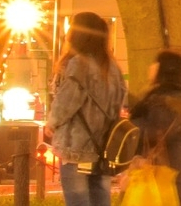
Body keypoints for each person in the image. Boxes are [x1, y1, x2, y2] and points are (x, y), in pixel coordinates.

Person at [47, 13, 127, 206]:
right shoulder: (112, 68)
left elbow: (66, 102)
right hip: (103, 147)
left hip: (76, 147)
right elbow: (119, 103)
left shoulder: (78, 64)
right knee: (101, 199)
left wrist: (51, 123)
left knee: (78, 200)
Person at [129, 49, 181, 206]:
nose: (151, 67)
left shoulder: (159, 104)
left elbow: (142, 138)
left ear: (163, 69)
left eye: (155, 63)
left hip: (161, 186)